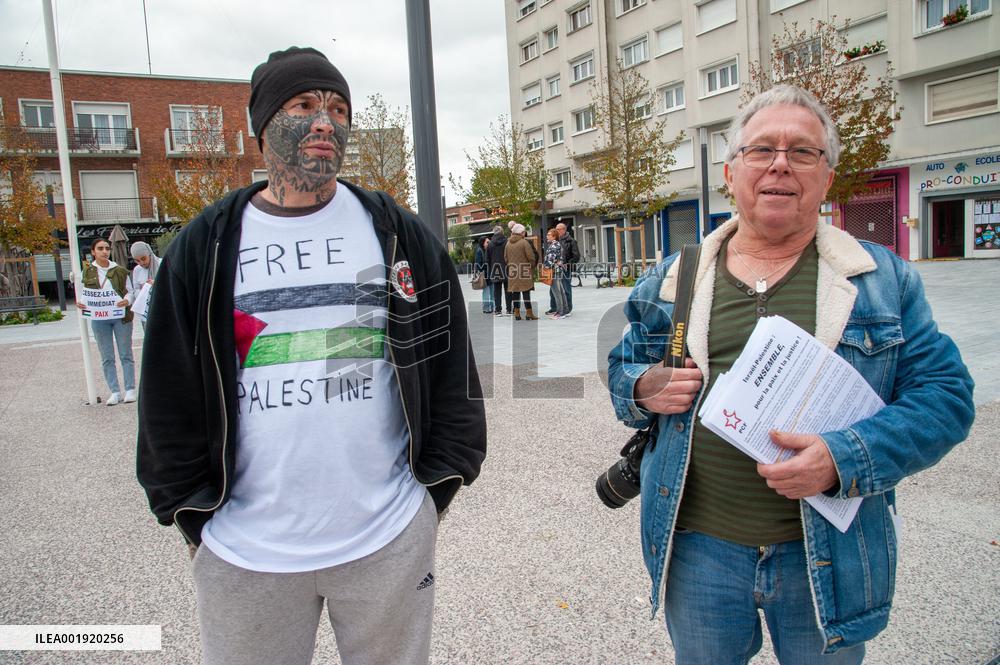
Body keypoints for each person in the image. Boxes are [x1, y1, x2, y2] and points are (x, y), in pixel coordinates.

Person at [136, 46, 487, 665]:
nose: (326, 121)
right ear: (263, 126)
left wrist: (433, 496)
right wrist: (193, 518)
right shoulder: (204, 247)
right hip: (245, 553)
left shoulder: (396, 233)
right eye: (304, 105)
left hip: (386, 540)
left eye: (338, 108)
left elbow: (451, 365)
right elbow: (168, 390)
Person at [607, 84, 974, 663]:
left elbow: (947, 397)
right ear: (731, 172)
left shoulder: (881, 279)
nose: (780, 163)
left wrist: (844, 457)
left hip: (826, 553)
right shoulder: (676, 277)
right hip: (699, 551)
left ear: (827, 178)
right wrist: (643, 387)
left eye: (802, 152)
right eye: (761, 150)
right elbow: (623, 364)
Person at [77, 237, 135, 405]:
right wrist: (82, 303)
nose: (105, 251)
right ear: (93, 252)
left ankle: (130, 389)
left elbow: (130, 291)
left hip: (120, 316)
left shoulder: (120, 270)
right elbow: (84, 293)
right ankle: (115, 391)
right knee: (107, 356)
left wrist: (127, 300)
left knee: (126, 353)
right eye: (101, 248)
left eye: (107, 248)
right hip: (99, 318)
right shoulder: (87, 272)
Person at [503, 222, 538, 321]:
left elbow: (505, 258)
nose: (524, 233)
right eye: (524, 232)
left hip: (513, 271)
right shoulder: (524, 242)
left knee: (515, 292)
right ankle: (529, 313)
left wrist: (511, 265)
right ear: (521, 233)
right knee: (526, 291)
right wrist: (531, 267)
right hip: (524, 270)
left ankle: (517, 314)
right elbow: (531, 257)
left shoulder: (508, 243)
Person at [127, 241, 160, 330]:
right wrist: (142, 290)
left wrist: (156, 283)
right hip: (146, 312)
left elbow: (171, 285)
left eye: (143, 258)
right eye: (137, 260)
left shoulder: (163, 264)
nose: (141, 263)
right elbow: (135, 289)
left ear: (149, 254)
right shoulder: (137, 270)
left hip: (163, 309)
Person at [542, 228, 568, 319]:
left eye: (549, 235)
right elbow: (559, 259)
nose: (547, 236)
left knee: (557, 292)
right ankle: (564, 310)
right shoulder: (557, 244)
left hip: (553, 271)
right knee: (561, 291)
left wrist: (545, 267)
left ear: (554, 236)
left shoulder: (553, 246)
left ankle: (560, 313)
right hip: (557, 270)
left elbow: (550, 261)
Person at [486, 224, 510, 316]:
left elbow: (487, 259)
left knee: (497, 291)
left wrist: (490, 269)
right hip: (506, 268)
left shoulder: (490, 244)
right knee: (508, 290)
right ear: (502, 232)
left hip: (495, 269)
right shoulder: (507, 242)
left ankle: (498, 310)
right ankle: (509, 310)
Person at [556, 222, 579, 316]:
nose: (556, 231)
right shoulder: (556, 241)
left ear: (563, 230)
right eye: (556, 229)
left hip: (566, 269)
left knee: (566, 289)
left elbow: (576, 256)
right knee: (556, 289)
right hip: (556, 268)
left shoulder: (571, 241)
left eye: (558, 229)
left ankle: (568, 308)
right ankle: (558, 308)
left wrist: (567, 264)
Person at [474, 236, 494, 314]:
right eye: (487, 242)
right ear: (483, 243)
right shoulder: (480, 251)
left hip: (491, 274)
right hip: (485, 275)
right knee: (486, 292)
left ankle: (493, 307)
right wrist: (484, 270)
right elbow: (478, 264)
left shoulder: (489, 250)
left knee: (492, 292)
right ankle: (486, 308)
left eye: (489, 242)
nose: (489, 243)